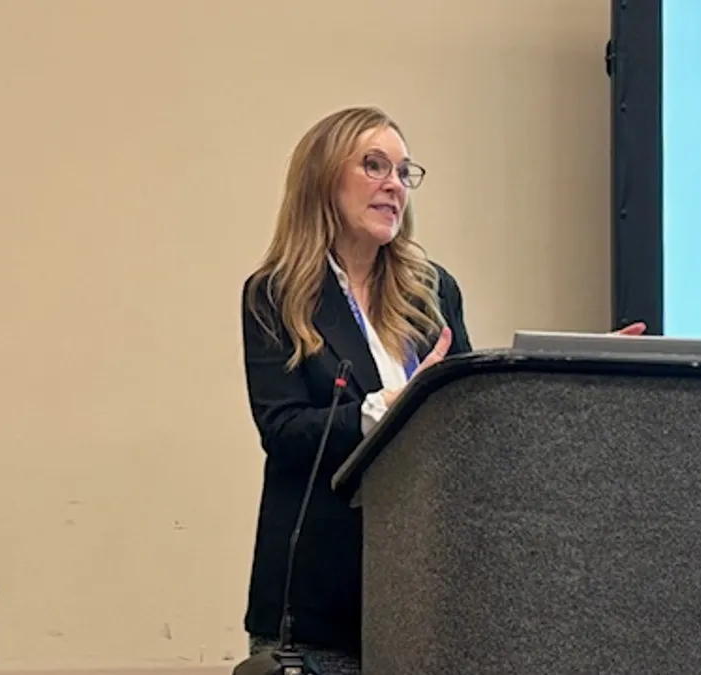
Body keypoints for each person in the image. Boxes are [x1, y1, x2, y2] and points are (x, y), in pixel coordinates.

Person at [237, 106, 642, 674]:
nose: (393, 186)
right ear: (322, 179)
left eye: (403, 172)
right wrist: (387, 408)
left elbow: (467, 420)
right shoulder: (275, 294)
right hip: (317, 600)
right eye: (374, 165)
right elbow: (283, 433)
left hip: (425, 598)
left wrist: (571, 373)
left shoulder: (432, 290)